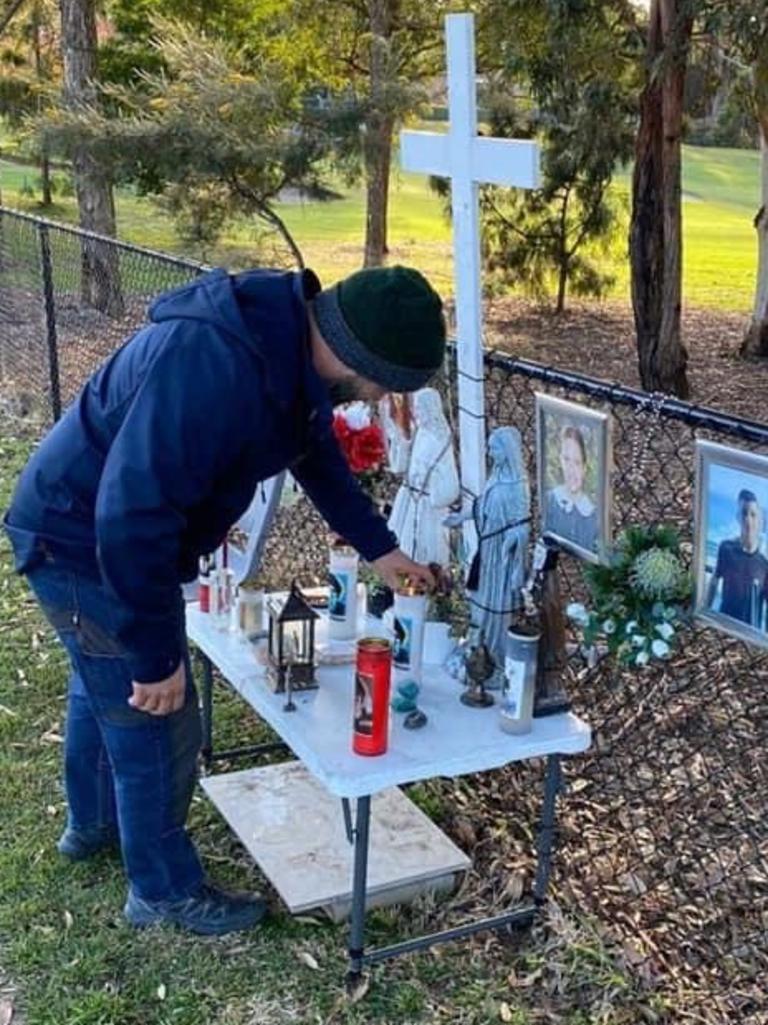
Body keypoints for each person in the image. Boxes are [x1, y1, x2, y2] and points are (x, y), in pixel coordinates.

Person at [3, 264, 445, 935]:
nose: (383, 397)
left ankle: (92, 825)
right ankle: (163, 890)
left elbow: (319, 460)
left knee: (103, 681)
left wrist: (382, 551)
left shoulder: (284, 350)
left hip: (88, 525)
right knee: (156, 711)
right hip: (81, 536)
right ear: (363, 358)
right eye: (389, 381)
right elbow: (130, 516)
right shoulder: (218, 365)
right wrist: (155, 659)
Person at [445, 427, 531, 680]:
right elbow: (482, 504)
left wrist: (512, 541)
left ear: (507, 452)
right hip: (487, 554)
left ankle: (493, 660)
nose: (489, 452)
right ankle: (476, 652)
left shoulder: (517, 486)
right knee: (479, 607)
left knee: (495, 609)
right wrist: (462, 516)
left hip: (501, 559)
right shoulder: (497, 477)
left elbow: (523, 526)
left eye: (494, 448)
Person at [387, 387, 460, 566]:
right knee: (405, 545)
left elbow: (447, 475)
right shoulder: (420, 433)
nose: (417, 412)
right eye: (416, 408)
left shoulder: (441, 439)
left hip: (428, 502)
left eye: (421, 408)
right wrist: (400, 441)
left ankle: (429, 581)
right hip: (412, 498)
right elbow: (403, 465)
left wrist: (430, 480)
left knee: (427, 550)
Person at [706, 489, 768, 629]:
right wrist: (706, 615)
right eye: (744, 513)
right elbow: (714, 582)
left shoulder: (765, 563)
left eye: (753, 514)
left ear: (760, 520)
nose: (748, 520)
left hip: (751, 632)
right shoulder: (726, 548)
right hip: (724, 624)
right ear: (738, 517)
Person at [545, 423, 598, 554]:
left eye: (577, 462)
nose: (571, 470)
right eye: (566, 460)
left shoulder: (592, 513)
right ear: (560, 460)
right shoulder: (551, 499)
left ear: (585, 467)